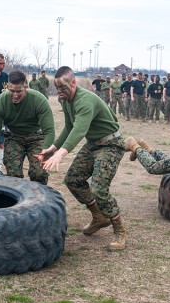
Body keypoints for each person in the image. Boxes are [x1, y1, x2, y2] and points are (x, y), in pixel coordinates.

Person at [37, 66, 126, 251]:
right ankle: (99, 217)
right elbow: (69, 127)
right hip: (94, 144)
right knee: (73, 180)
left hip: (110, 144)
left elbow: (80, 129)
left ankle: (120, 231)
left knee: (99, 189)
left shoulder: (85, 100)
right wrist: (52, 149)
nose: (60, 92)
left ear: (74, 83)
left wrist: (61, 154)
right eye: (58, 88)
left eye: (63, 88)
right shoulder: (66, 100)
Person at [0, 70, 55, 184]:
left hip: (36, 137)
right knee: (14, 175)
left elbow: (49, 131)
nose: (15, 95)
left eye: (19, 91)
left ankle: (40, 199)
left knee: (39, 173)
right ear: (7, 87)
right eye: (11, 91)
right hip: (14, 137)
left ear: (26, 87)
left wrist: (45, 150)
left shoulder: (39, 100)